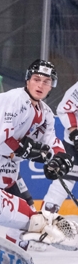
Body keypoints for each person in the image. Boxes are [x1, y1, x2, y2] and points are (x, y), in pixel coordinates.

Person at [0, 59, 72, 205]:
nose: (40, 85)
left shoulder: (46, 113)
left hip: (6, 167)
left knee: (30, 212)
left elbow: (50, 139)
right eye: (36, 79)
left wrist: (60, 157)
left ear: (51, 86)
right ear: (28, 80)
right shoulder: (12, 100)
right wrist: (26, 150)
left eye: (46, 82)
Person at [41, 79, 78, 214]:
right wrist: (75, 133)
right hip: (74, 145)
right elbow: (65, 108)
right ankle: (47, 216)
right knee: (64, 183)